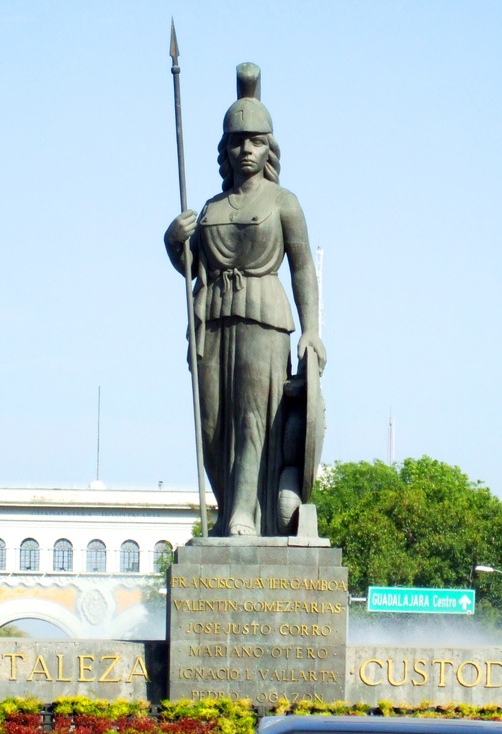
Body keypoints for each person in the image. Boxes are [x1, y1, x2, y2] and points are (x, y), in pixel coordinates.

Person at [164, 63, 326, 537]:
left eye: (256, 141)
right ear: (226, 149)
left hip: (263, 313)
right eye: (238, 142)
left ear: (269, 146)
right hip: (211, 316)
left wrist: (312, 330)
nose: (246, 150)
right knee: (213, 425)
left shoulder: (283, 202)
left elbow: (302, 269)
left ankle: (243, 513)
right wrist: (175, 242)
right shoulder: (211, 208)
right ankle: (226, 507)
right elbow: (192, 268)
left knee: (254, 418)